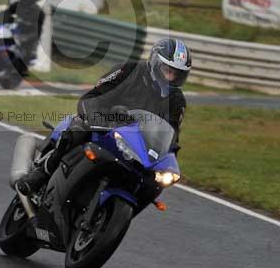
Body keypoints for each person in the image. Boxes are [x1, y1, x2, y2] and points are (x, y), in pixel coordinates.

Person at [16, 37, 192, 196]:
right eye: (167, 70)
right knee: (78, 129)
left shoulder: (177, 101)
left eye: (176, 74)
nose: (170, 78)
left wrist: (170, 153)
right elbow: (93, 98)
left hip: (138, 146)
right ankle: (42, 174)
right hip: (105, 124)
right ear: (154, 62)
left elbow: (171, 135)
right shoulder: (128, 70)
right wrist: (100, 115)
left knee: (157, 181)